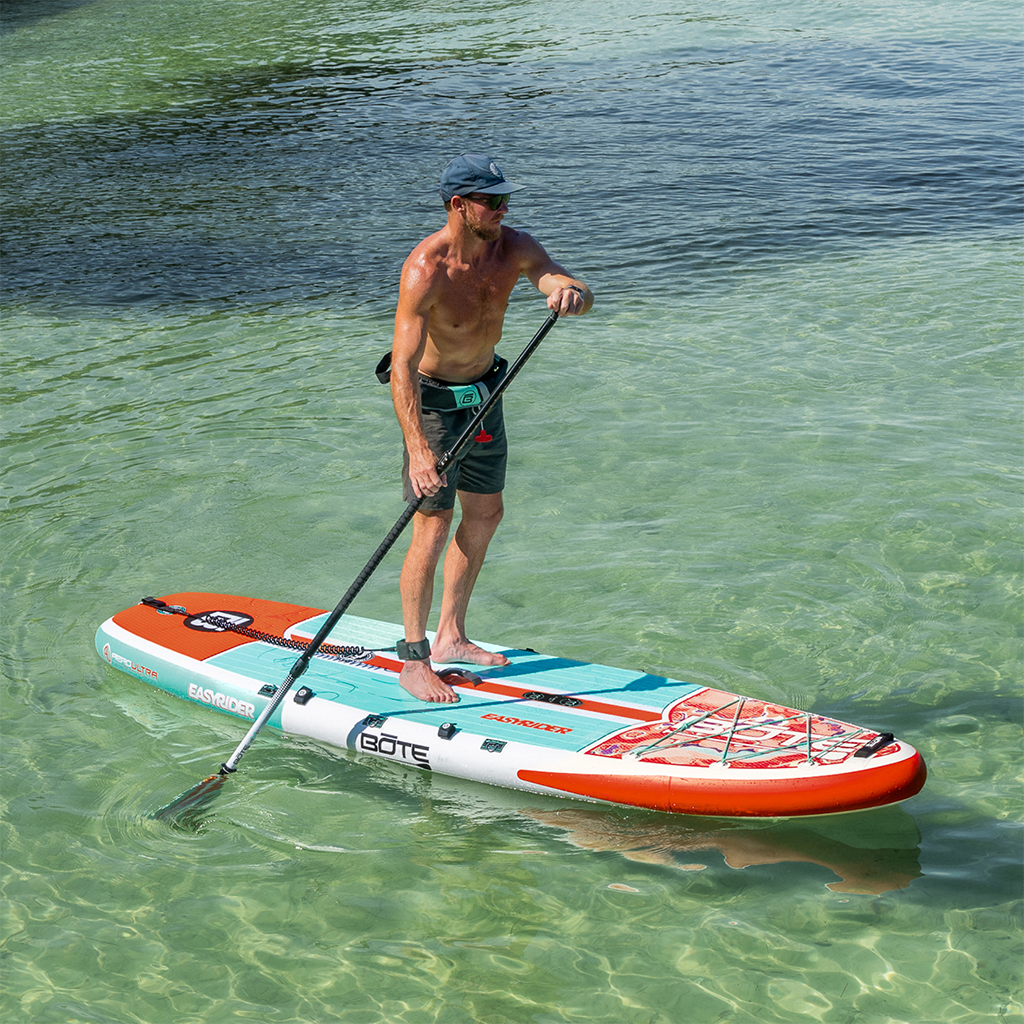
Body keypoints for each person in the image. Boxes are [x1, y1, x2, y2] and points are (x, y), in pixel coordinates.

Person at [387, 154, 593, 703]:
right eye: (492, 201)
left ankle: (451, 636)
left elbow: (557, 277)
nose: (504, 210)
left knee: (486, 513)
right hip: (433, 409)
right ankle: (414, 660)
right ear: (459, 205)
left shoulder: (513, 247)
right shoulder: (425, 269)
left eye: (506, 200)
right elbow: (401, 366)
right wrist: (417, 450)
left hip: (486, 397)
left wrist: (570, 291)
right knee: (432, 526)